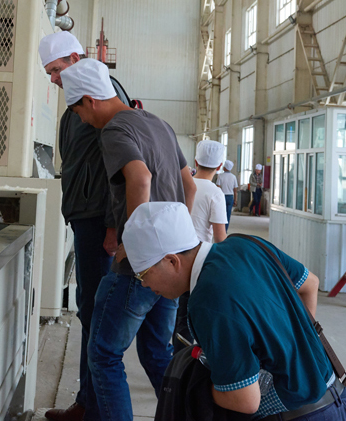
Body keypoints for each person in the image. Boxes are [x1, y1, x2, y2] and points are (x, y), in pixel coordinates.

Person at [124, 202, 346, 420]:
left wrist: (194, 385)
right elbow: (310, 284)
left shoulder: (206, 301)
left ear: (171, 261)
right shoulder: (248, 244)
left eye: (143, 274)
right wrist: (295, 344)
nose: (144, 284)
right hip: (339, 400)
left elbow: (245, 400)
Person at [59, 58, 196, 421]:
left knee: (103, 354)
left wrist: (133, 245)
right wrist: (179, 237)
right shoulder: (158, 123)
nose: (82, 121)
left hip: (142, 265)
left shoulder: (114, 131)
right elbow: (190, 184)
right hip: (176, 261)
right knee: (156, 350)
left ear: (89, 100)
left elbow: (140, 179)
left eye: (78, 112)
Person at [38, 31, 130, 421]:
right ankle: (88, 402)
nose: (54, 79)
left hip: (98, 222)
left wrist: (113, 226)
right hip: (85, 218)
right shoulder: (74, 106)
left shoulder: (106, 94)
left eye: (57, 69)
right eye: (49, 73)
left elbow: (122, 168)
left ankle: (92, 407)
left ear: (76, 59)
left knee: (95, 314)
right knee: (87, 310)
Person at [173, 139, 227, 351]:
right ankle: (185, 371)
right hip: (199, 261)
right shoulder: (215, 193)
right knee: (193, 316)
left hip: (175, 255)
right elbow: (220, 238)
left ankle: (175, 366)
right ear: (220, 166)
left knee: (178, 318)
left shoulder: (182, 184)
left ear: (195, 161)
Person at [216, 159, 239, 227]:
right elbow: (235, 190)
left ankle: (221, 228)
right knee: (228, 215)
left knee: (221, 214)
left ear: (225, 168)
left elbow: (218, 187)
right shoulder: (233, 177)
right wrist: (235, 200)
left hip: (222, 196)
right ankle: (225, 229)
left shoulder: (220, 176)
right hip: (230, 197)